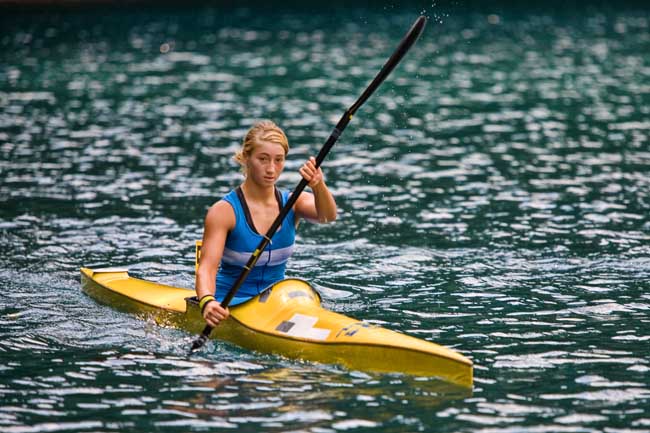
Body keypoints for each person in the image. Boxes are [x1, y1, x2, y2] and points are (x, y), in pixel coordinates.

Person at [195, 120, 337, 328]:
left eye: (279, 160)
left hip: (277, 305)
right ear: (246, 158)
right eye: (263, 159)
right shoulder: (223, 212)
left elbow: (327, 216)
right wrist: (207, 302)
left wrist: (318, 185)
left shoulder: (293, 202)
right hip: (228, 306)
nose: (271, 169)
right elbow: (206, 269)